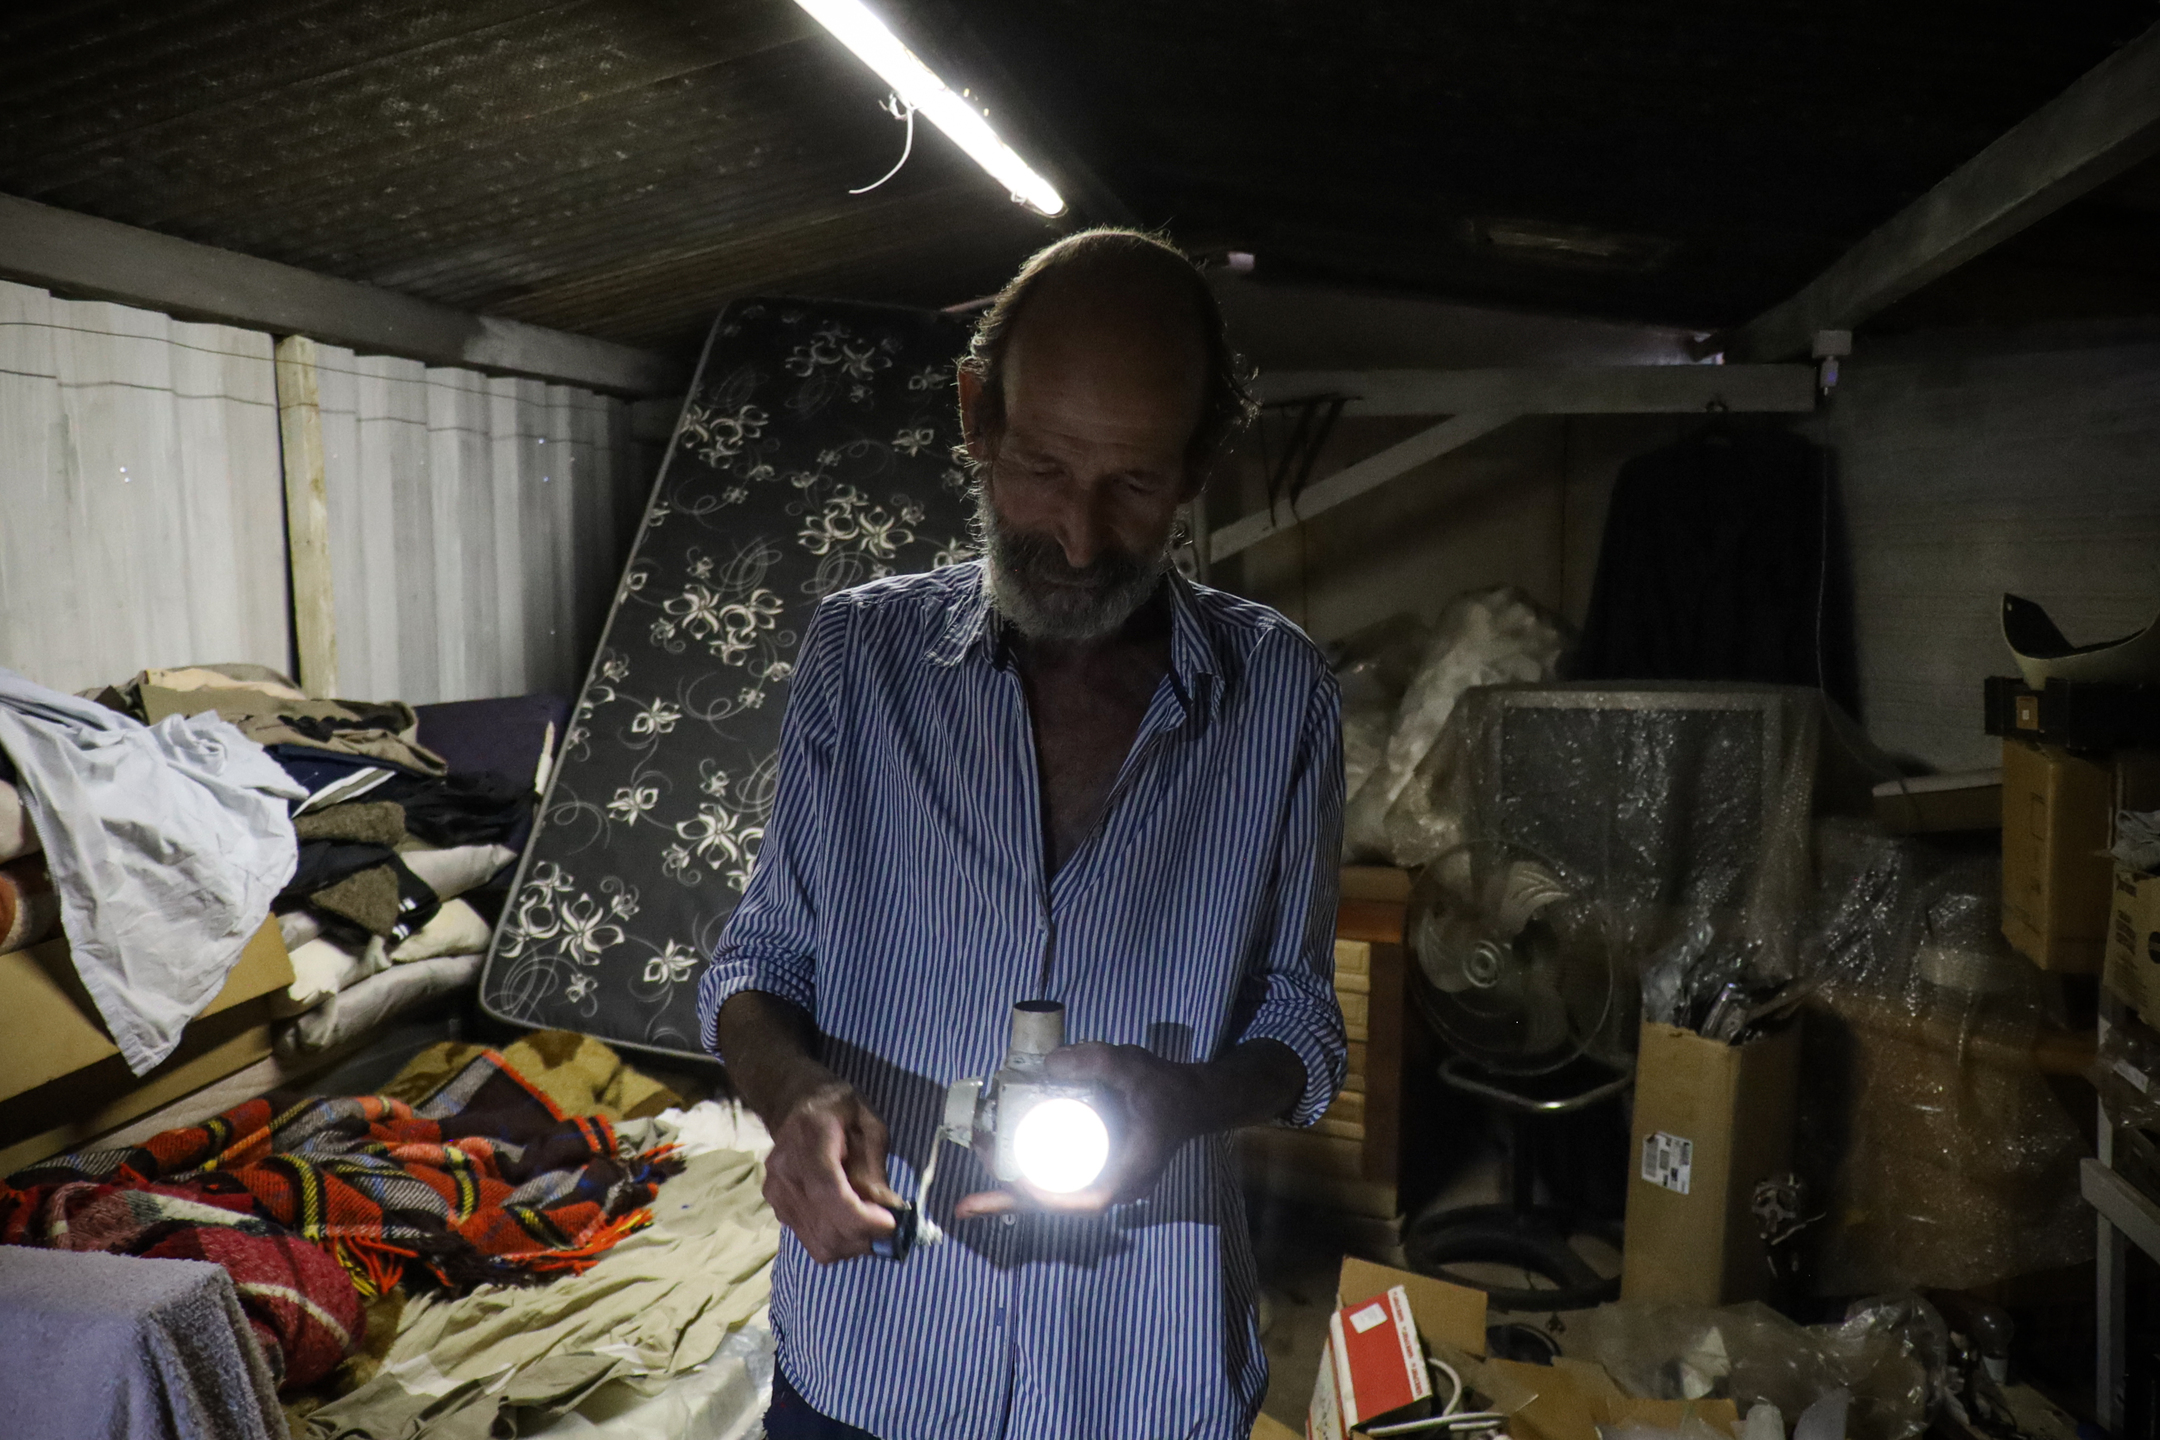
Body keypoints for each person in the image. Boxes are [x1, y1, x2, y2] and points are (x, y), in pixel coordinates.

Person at [698, 227, 1346, 1440]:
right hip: (877, 1360)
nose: (1083, 538)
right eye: (1044, 465)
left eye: (1136, 484)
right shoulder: (862, 659)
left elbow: (1301, 1024)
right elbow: (757, 965)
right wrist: (795, 1097)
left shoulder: (1280, 695)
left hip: (1140, 1375)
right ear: (975, 416)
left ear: (1200, 467)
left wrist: (1191, 1097)